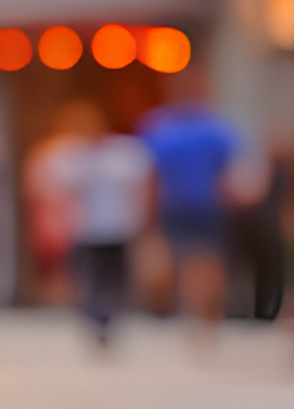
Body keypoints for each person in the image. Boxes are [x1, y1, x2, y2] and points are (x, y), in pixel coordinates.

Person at [137, 78, 246, 342]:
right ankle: (206, 313)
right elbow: (229, 174)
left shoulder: (160, 128)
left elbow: (151, 177)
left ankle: (196, 312)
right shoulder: (213, 129)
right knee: (207, 261)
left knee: (186, 262)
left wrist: (147, 213)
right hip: (205, 205)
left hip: (180, 205)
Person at [63, 107, 154, 347]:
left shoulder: (122, 153)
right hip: (87, 230)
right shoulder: (74, 157)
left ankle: (110, 318)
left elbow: (141, 187)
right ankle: (95, 319)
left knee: (115, 279)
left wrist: (141, 218)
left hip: (117, 229)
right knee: (91, 279)